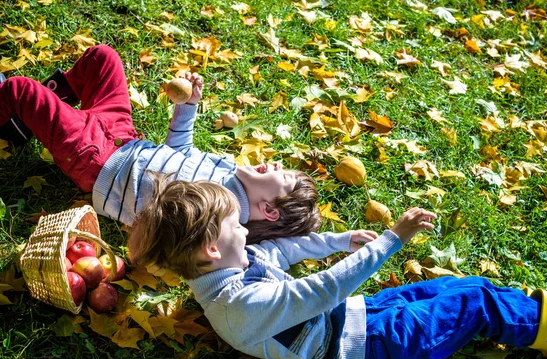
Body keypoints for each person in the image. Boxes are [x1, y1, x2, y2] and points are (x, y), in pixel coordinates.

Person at [127, 177, 547, 359]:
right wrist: (391, 240)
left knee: (463, 285)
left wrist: (338, 239)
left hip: (362, 318)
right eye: (237, 226)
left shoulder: (224, 268)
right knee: (472, 302)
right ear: (212, 248)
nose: (248, 231)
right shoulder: (239, 306)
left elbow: (284, 252)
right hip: (372, 353)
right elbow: (320, 291)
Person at [0, 45, 320, 243]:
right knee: (103, 57)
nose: (278, 164)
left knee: (21, 90)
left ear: (268, 209)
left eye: (285, 176)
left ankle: (16, 110)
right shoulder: (230, 170)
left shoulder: (219, 217)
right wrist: (190, 106)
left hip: (97, 162)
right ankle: (22, 123)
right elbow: (180, 151)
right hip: (125, 137)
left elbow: (166, 233)